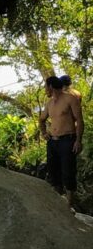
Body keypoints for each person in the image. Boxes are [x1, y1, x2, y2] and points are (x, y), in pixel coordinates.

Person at [39, 75, 84, 208]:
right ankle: (58, 203)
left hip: (67, 140)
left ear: (51, 87)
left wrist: (78, 140)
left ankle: (69, 204)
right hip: (52, 142)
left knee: (68, 171)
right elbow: (41, 119)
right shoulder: (49, 103)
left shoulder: (70, 99)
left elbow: (80, 120)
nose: (45, 90)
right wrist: (44, 133)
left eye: (45, 87)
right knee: (53, 172)